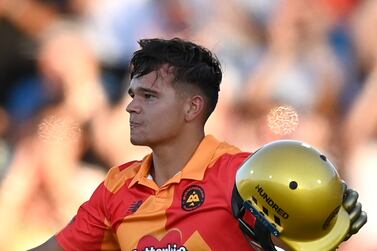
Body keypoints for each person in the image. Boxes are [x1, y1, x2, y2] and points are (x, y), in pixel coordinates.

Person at [28, 38, 365, 251]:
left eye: (149, 96)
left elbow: (311, 240)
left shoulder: (245, 174)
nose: (131, 106)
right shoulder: (117, 188)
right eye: (132, 95)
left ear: (193, 107)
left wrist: (328, 220)